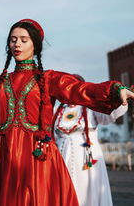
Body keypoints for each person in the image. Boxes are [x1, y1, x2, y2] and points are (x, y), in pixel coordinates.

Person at [0, 19, 134, 206]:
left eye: (23, 40)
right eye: (13, 39)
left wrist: (115, 90)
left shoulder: (48, 79)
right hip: (8, 159)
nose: (17, 44)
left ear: (35, 45)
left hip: (39, 157)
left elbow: (80, 89)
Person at [53, 75, 128, 206]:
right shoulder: (58, 110)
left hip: (85, 158)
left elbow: (110, 114)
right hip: (62, 155)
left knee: (86, 188)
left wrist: (118, 98)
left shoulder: (90, 107)